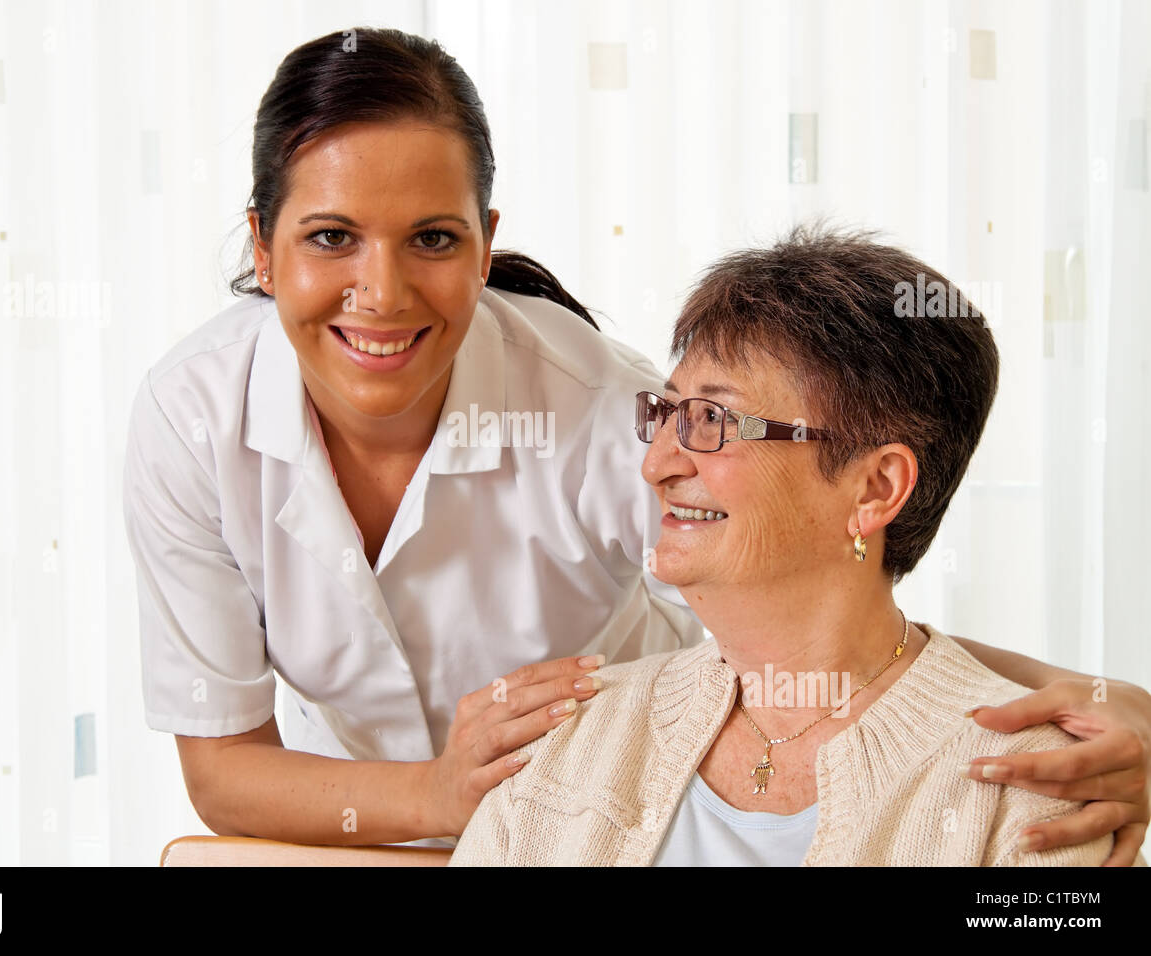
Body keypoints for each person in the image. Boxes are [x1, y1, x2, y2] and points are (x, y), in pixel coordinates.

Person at [122, 27, 1151, 858]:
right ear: (262, 247)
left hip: (608, 807)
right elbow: (222, 770)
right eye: (329, 236)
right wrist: (436, 791)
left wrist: (1108, 702)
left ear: (485, 243)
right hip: (456, 821)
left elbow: (827, 586)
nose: (381, 293)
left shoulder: (600, 410)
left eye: (433, 238)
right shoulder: (192, 416)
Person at [448, 227, 1147, 865]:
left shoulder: (1038, 785)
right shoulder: (562, 741)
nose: (658, 462)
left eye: (713, 419)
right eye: (666, 414)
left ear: (876, 488)